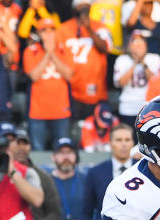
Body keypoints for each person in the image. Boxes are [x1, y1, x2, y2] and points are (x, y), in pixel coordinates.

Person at [57, 0, 112, 133]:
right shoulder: (63, 28)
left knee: (95, 129)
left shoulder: (100, 27)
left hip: (95, 90)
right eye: (80, 8)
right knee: (74, 131)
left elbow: (106, 48)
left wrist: (88, 29)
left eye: (86, 8)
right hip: (70, 89)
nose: (83, 11)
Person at [23, 18, 73, 151]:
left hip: (61, 110)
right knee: (38, 150)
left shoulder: (65, 50)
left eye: (52, 30)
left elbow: (68, 74)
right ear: (39, 34)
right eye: (44, 31)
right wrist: (47, 53)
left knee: (63, 150)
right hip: (38, 112)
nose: (49, 34)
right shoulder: (30, 51)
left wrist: (52, 53)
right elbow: (34, 76)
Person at [113, 30, 160, 122]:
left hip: (148, 107)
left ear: (146, 45)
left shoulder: (154, 58)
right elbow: (120, 83)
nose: (138, 46)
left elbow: (154, 82)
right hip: (127, 107)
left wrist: (142, 61)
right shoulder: (122, 59)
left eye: (141, 42)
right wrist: (135, 62)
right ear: (129, 46)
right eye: (135, 42)